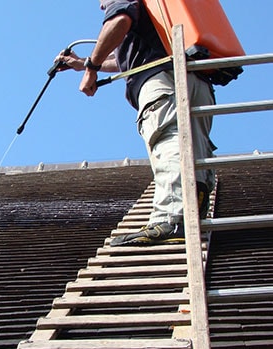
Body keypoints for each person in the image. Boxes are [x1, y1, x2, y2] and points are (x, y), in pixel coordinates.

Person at [55, 0, 216, 246]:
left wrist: (91, 68)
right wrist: (82, 64)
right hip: (197, 80)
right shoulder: (162, 9)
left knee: (168, 137)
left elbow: (119, 21)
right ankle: (192, 212)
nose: (101, 6)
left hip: (162, 81)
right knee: (196, 145)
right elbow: (129, 58)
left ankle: (170, 220)